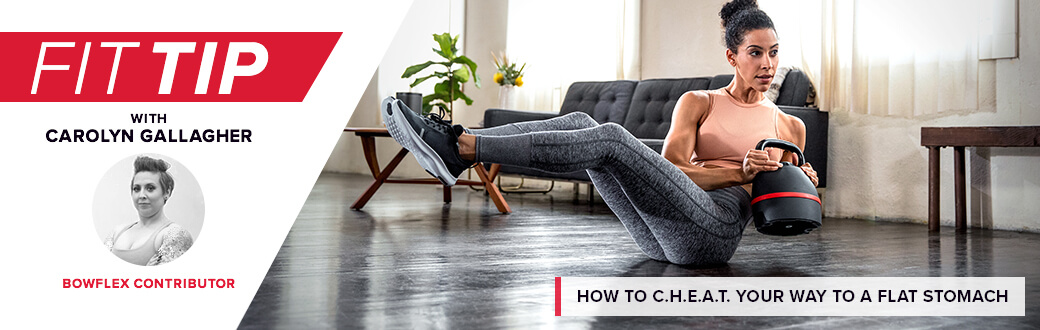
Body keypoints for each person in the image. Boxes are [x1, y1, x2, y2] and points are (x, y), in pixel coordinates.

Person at [383, 0, 818, 265]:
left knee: (608, 136)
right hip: (657, 236)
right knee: (581, 126)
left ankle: (461, 148)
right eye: (755, 53)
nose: (767, 64)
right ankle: (462, 142)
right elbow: (672, 172)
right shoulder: (698, 102)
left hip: (712, 234)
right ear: (732, 56)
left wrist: (799, 181)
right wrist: (737, 169)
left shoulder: (789, 126)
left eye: (774, 53)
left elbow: (777, 217)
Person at [104, 156, 194, 266]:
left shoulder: (175, 235)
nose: (142, 195)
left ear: (167, 192)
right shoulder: (116, 233)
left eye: (150, 188)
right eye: (136, 189)